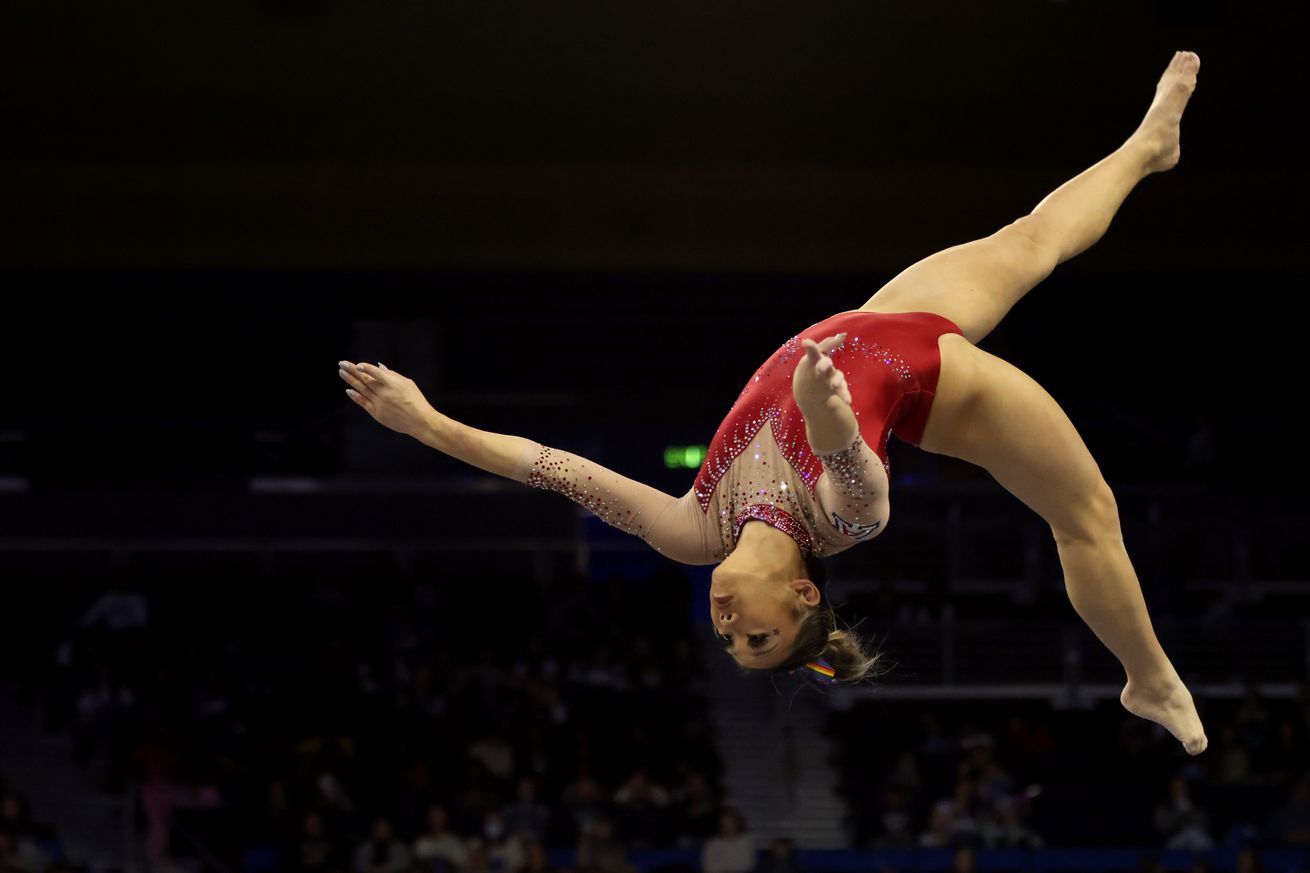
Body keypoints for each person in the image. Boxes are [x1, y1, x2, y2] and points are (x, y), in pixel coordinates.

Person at [339, 52, 1207, 755]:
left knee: (1033, 239)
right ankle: (1150, 676)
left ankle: (1147, 147)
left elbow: (552, 469)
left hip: (874, 326)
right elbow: (851, 467)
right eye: (755, 638)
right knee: (1087, 513)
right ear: (800, 595)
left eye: (732, 646)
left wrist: (426, 424)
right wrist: (825, 401)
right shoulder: (847, 527)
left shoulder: (694, 531)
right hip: (934, 379)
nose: (729, 632)